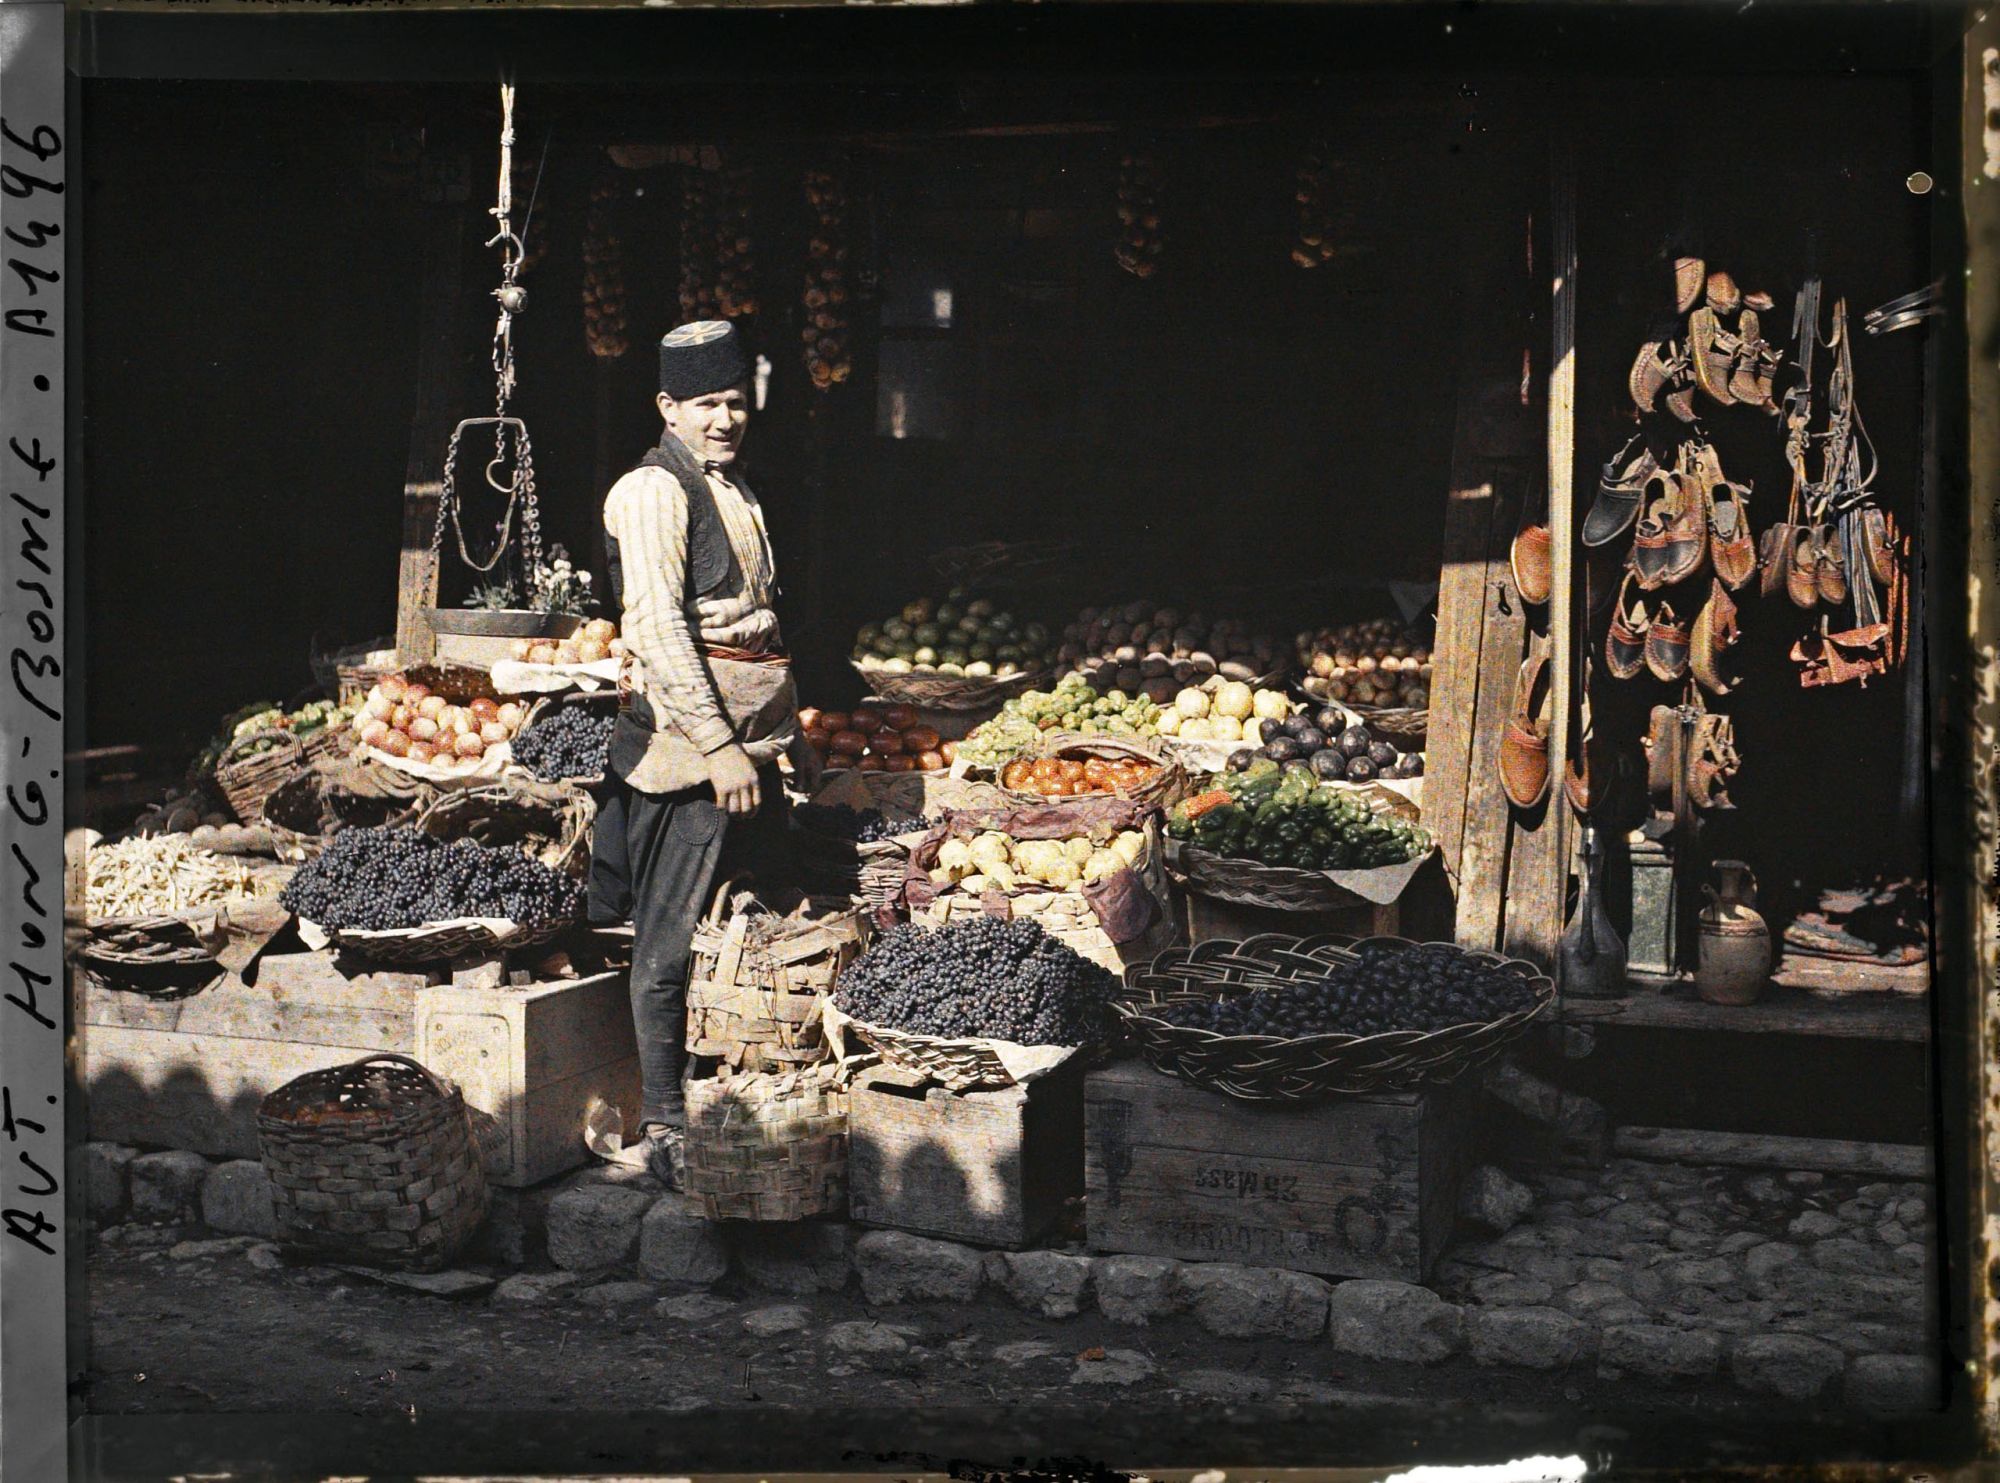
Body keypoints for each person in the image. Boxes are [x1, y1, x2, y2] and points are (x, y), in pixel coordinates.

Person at [588, 319, 809, 1188]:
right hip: (690, 755)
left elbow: (754, 623)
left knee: (757, 923)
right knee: (668, 943)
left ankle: (744, 1098)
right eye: (705, 403)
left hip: (750, 752)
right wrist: (718, 746)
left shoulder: (735, 488)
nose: (724, 418)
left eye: (734, 401)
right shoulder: (652, 491)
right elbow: (657, 630)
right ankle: (666, 1121)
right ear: (667, 406)